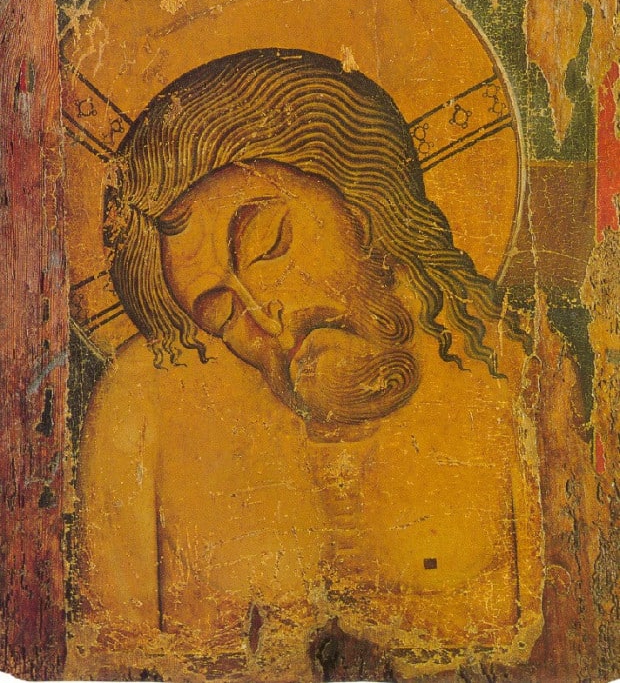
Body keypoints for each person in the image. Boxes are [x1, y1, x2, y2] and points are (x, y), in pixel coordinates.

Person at [76, 49, 540, 680]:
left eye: (268, 244)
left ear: (358, 201)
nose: (266, 318)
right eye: (221, 314)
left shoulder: (511, 369)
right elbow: (113, 656)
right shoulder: (142, 399)